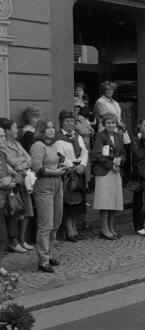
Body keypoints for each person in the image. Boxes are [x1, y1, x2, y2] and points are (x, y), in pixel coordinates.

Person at [29, 120, 65, 273]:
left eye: (52, 127)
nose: (51, 130)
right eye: (48, 128)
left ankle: (50, 254)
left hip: (57, 185)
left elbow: (55, 162)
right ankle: (43, 260)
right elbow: (36, 168)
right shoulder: (38, 146)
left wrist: (63, 166)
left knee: (56, 222)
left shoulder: (53, 145)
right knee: (46, 224)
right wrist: (55, 172)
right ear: (41, 131)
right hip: (44, 186)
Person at [0, 117, 35, 252]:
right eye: (15, 127)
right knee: (14, 211)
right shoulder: (3, 146)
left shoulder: (18, 144)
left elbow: (29, 159)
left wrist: (20, 164)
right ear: (8, 130)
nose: (17, 130)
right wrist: (20, 163)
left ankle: (22, 239)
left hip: (24, 180)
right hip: (14, 182)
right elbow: (11, 162)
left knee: (25, 210)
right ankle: (14, 242)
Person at [54, 110, 88, 242]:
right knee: (69, 203)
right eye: (67, 121)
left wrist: (83, 165)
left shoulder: (77, 137)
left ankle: (75, 229)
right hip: (68, 173)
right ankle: (69, 231)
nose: (70, 124)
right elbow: (60, 156)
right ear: (62, 123)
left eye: (72, 121)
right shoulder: (58, 138)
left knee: (77, 203)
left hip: (79, 171)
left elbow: (85, 152)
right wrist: (73, 167)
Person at [91, 112, 126, 239]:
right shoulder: (100, 136)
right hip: (104, 171)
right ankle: (104, 229)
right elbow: (97, 154)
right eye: (108, 123)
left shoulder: (118, 136)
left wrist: (120, 160)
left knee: (115, 201)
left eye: (113, 122)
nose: (111, 125)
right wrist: (111, 164)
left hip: (116, 171)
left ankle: (111, 227)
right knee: (105, 201)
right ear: (104, 124)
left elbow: (123, 152)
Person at [0, 126, 16, 276]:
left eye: (4, 136)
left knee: (3, 236)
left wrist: (9, 180)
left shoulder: (2, 155)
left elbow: (11, 175)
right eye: (1, 137)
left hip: (2, 201)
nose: (4, 139)